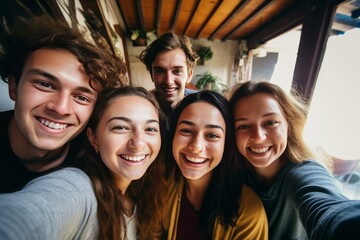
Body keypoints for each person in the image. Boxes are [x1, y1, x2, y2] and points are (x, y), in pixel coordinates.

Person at [0, 86, 167, 239]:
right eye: (120, 127)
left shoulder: (146, 190)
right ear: (93, 138)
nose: (138, 144)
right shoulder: (79, 189)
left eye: (150, 129)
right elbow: (27, 216)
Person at [0, 15, 127, 193]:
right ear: (14, 87)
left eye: (82, 97)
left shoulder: (98, 163)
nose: (60, 108)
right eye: (45, 85)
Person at [228, 81, 360, 240]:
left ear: (288, 124)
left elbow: (329, 209)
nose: (258, 137)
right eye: (243, 126)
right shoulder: (231, 172)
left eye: (270, 122)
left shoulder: (304, 171)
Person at [162, 90, 268, 239]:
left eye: (212, 135)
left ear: (227, 144)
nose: (196, 146)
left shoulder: (249, 212)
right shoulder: (161, 187)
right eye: (186, 130)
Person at [139, 32, 199, 116]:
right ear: (151, 74)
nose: (168, 81)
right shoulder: (140, 110)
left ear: (189, 75)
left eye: (177, 71)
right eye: (160, 71)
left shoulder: (203, 106)